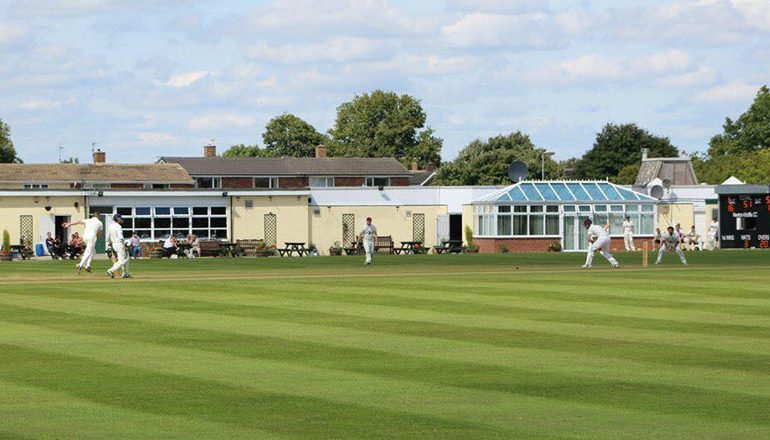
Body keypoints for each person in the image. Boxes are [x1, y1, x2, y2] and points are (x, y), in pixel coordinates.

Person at [106, 213, 130, 279]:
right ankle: (111, 270)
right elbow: (121, 237)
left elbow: (107, 238)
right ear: (117, 219)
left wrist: (108, 245)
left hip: (114, 245)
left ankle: (125, 273)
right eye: (120, 218)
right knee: (123, 260)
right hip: (120, 244)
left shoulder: (110, 226)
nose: (122, 219)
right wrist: (125, 243)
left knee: (123, 259)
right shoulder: (119, 226)